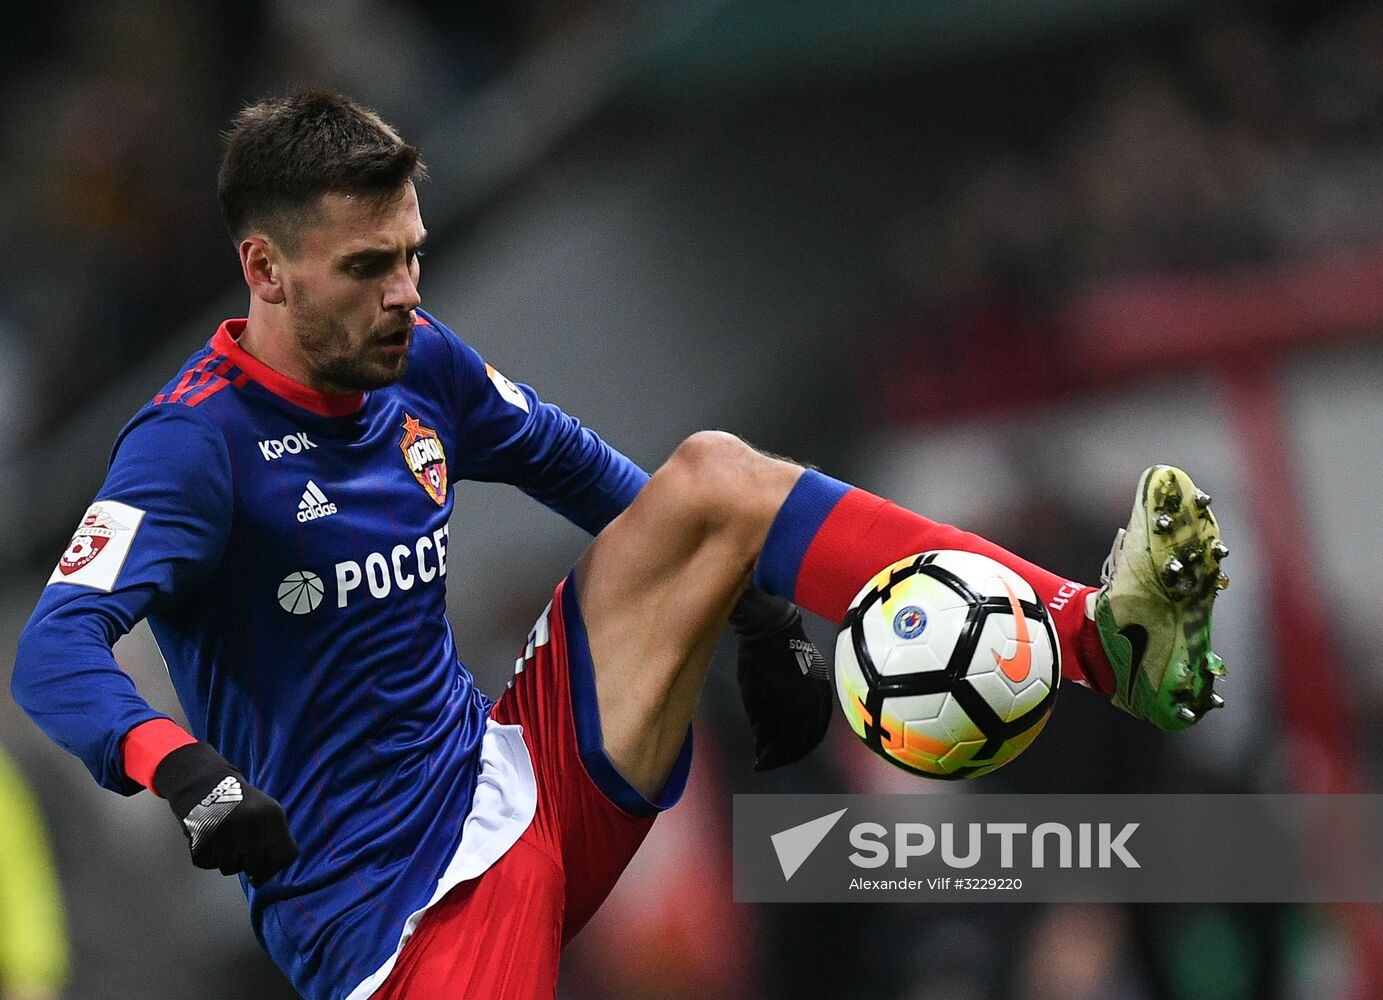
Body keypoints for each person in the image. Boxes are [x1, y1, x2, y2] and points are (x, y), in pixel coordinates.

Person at [12, 91, 1228, 1000]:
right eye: (368, 267)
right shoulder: (192, 451)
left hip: (520, 772)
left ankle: (1099, 637)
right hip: (398, 919)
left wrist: (751, 614)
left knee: (711, 475)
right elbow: (54, 648)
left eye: (414, 255)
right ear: (263, 269)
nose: (403, 294)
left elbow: (588, 473)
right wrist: (182, 768)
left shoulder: (418, 361)